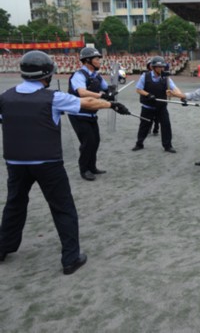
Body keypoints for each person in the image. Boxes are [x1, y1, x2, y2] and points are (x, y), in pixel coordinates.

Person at [0, 50, 130, 274]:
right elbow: (86, 102)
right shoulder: (53, 98)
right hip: (47, 163)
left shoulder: (4, 97)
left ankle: (3, 247)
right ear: (47, 74)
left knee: (14, 204)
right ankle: (70, 258)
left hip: (16, 162)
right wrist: (112, 105)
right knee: (63, 209)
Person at [67, 47, 116, 181]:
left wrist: (111, 91)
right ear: (88, 61)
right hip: (78, 114)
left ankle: (92, 166)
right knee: (88, 142)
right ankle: (84, 170)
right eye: (96, 59)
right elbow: (82, 92)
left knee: (95, 141)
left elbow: (106, 88)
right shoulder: (79, 75)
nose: (99, 61)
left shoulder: (96, 75)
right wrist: (101, 95)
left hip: (91, 113)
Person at [132, 56, 180, 153]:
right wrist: (148, 94)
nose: (161, 69)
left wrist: (182, 97)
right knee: (144, 126)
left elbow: (175, 88)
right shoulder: (145, 76)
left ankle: (168, 146)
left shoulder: (166, 78)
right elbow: (138, 89)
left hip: (161, 107)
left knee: (166, 125)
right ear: (153, 67)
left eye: (163, 66)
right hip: (147, 107)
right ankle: (139, 143)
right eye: (159, 67)